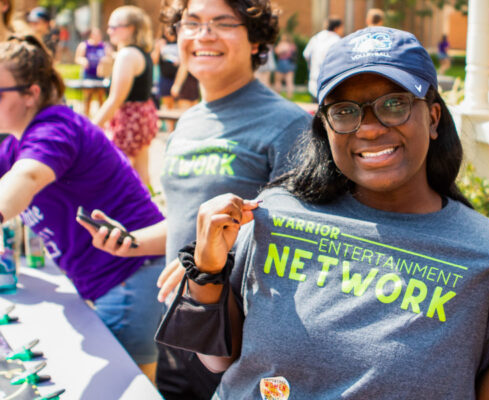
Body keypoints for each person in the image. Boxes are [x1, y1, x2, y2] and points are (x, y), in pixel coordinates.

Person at [156, 27, 489, 399]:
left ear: (434, 116)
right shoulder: (274, 218)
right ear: (325, 127)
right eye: (346, 112)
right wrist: (208, 271)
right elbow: (219, 361)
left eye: (394, 104)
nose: (369, 128)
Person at [85, 0, 311, 398]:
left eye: (223, 23)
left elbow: (298, 238)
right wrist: (131, 242)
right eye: (192, 22)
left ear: (257, 40)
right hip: (176, 326)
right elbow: (185, 222)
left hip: (237, 338)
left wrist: (201, 258)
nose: (204, 34)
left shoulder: (288, 125)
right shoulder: (187, 122)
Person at [0, 34, 166, 382]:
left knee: (128, 386)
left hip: (131, 279)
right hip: (108, 281)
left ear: (31, 93)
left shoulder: (55, 128)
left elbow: (26, 178)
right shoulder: (15, 143)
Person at [92, 6, 158, 189]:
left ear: (130, 28)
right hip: (143, 116)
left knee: (114, 173)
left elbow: (115, 99)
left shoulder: (127, 54)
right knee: (141, 173)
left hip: (129, 120)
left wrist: (89, 128)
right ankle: (149, 212)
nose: (109, 30)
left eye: (114, 26)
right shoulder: (140, 52)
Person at [303, 16, 343, 101]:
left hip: (314, 79)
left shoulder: (316, 38)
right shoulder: (337, 40)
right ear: (336, 28)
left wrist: (311, 67)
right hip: (330, 81)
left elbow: (306, 54)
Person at [74, 28, 111, 116]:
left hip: (100, 75)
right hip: (88, 75)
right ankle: (86, 116)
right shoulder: (84, 45)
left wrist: (105, 61)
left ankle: (102, 116)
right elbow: (77, 58)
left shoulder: (104, 46)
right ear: (91, 35)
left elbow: (110, 57)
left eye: (99, 35)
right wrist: (83, 61)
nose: (98, 37)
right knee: (88, 98)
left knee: (101, 97)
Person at [274, 33, 297, 98]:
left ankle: (277, 96)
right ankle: (289, 97)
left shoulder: (282, 44)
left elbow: (277, 51)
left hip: (281, 62)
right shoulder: (292, 45)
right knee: (289, 82)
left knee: (278, 81)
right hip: (290, 63)